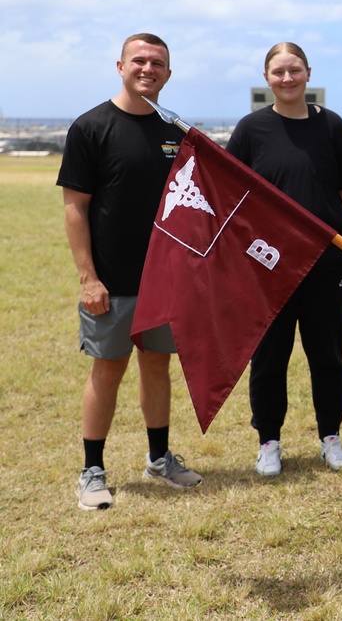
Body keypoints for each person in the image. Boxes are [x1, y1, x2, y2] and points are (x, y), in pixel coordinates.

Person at [58, 33, 203, 510]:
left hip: (165, 281)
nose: (148, 68)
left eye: (157, 62)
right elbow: (75, 208)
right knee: (108, 369)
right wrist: (88, 278)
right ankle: (92, 470)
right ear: (120, 65)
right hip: (111, 282)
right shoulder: (91, 127)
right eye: (139, 60)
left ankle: (159, 458)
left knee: (157, 366)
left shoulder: (177, 132)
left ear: (168, 72)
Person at [227, 42, 342, 477]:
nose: (287, 79)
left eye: (294, 71)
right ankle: (269, 441)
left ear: (308, 73)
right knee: (269, 356)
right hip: (268, 265)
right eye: (278, 72)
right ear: (266, 78)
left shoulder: (331, 125)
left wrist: (312, 225)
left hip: (328, 262)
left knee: (327, 355)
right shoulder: (251, 129)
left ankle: (331, 437)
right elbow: (232, 193)